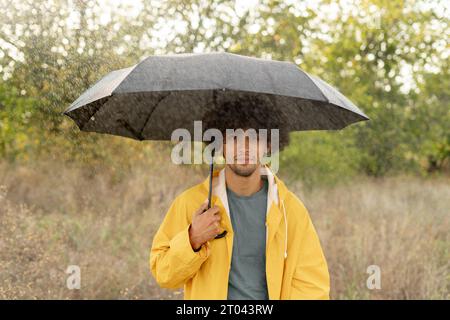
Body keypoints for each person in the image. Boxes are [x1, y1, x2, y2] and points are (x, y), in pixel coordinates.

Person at [149, 95, 330, 299]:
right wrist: (193, 239)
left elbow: (312, 286)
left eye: (254, 138)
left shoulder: (290, 210)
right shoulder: (190, 203)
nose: (244, 148)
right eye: (233, 138)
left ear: (269, 145)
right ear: (219, 145)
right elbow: (163, 274)